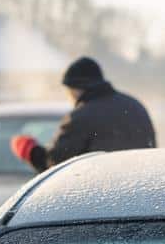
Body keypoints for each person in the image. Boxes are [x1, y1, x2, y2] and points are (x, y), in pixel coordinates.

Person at [10, 56, 156, 173]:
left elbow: (55, 166)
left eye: (68, 91)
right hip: (141, 191)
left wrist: (30, 151)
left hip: (100, 196)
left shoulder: (80, 117)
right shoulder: (135, 106)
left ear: (76, 89)